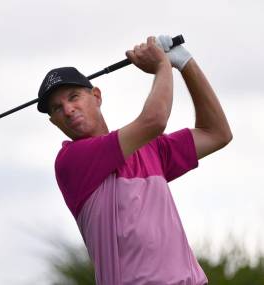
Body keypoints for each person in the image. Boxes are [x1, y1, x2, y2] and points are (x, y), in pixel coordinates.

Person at [37, 35, 232, 285]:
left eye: (73, 96)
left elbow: (217, 133)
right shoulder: (72, 160)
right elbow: (154, 121)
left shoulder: (149, 150)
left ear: (96, 96)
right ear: (54, 121)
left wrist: (185, 63)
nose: (67, 109)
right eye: (57, 108)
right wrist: (162, 66)